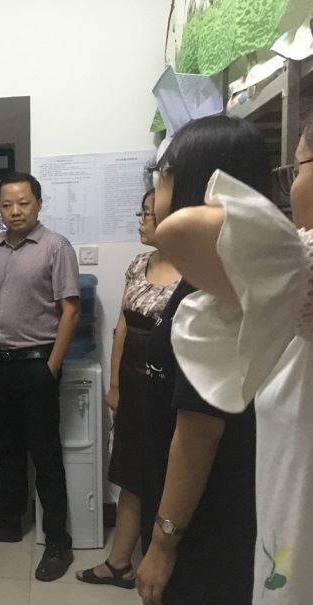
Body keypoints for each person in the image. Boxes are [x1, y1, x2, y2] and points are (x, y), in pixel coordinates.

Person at [153, 114, 313, 603]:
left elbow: (199, 432)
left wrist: (163, 540)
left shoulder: (262, 282)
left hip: (216, 505)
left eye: (298, 168)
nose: (292, 183)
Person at [133, 115, 269, 605]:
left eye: (163, 174)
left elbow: (199, 435)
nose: (156, 187)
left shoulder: (216, 293)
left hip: (206, 515)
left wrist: (163, 543)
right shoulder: (223, 270)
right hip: (200, 501)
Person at [0, 172, 81, 583]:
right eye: (7, 204)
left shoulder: (55, 247)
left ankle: (58, 541)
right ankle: (9, 521)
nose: (14, 211)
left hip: (37, 364)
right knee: (6, 452)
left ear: (39, 204)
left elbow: (71, 311)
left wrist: (51, 368)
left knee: (45, 456)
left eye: (23, 203)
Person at [76, 190, 180, 589]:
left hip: (169, 384)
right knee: (130, 470)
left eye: (148, 213)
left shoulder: (193, 270)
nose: (140, 219)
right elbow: (122, 326)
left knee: (165, 472)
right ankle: (119, 563)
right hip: (134, 384)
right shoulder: (139, 264)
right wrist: (115, 386)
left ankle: (162, 563)